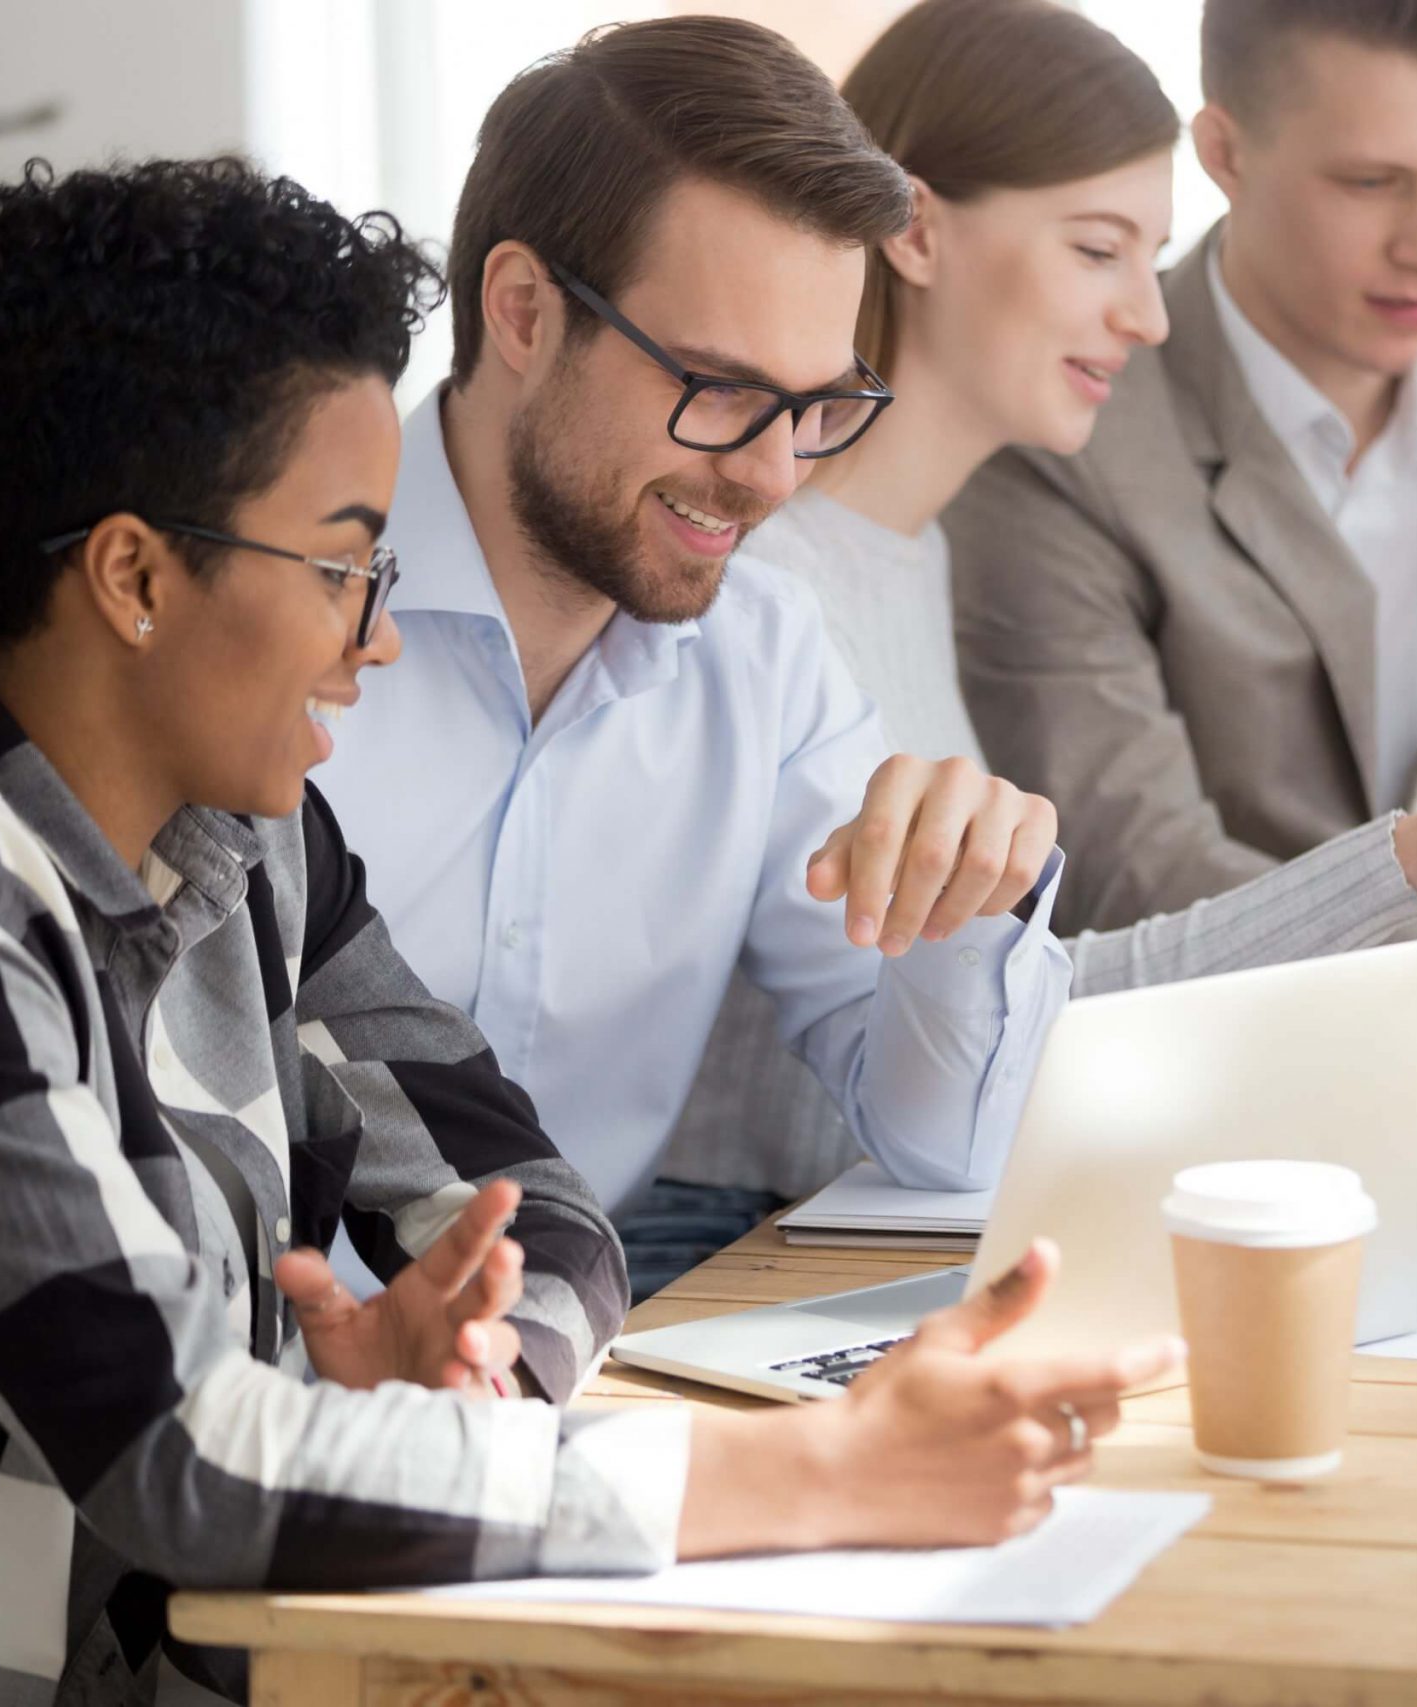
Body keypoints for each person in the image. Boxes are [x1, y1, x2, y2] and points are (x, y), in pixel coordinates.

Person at [0, 157, 1172, 1705]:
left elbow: (540, 1201)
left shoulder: (249, 834)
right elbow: (182, 1450)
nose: (379, 632)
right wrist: (815, 1473)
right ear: (133, 573)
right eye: (342, 565)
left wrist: (462, 1389)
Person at [663, 0, 1417, 1202]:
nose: (1147, 316)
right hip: (757, 1242)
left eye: (1148, 258)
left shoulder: (919, 553)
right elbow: (1016, 1021)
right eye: (1098, 253)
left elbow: (998, 1019)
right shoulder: (780, 592)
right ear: (916, 233)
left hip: (927, 1212)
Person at [310, 17, 1076, 1298]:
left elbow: (944, 1143)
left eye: (818, 403)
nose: (774, 475)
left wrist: (966, 911)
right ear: (522, 312)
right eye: (718, 389)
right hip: (289, 1378)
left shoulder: (762, 654)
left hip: (594, 1355)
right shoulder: (278, 606)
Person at [943, 0, 1417, 1050]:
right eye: (1369, 182)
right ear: (1224, 151)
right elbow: (1134, 873)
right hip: (1220, 1076)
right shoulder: (1068, 430)